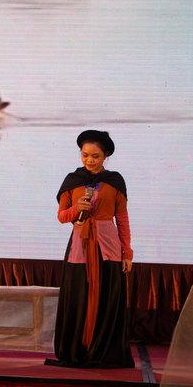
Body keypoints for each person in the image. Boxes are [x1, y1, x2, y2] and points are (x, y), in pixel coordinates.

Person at [45, 130, 134, 368]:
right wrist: (77, 209)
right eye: (85, 155)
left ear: (105, 156)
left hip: (108, 247)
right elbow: (62, 217)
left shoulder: (115, 181)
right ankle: (78, 350)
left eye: (95, 156)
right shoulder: (72, 180)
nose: (89, 160)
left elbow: (122, 218)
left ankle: (101, 351)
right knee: (79, 297)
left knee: (106, 298)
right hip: (80, 245)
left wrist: (127, 253)